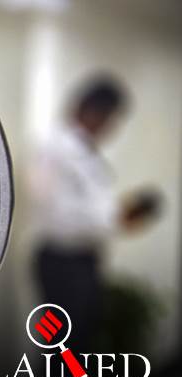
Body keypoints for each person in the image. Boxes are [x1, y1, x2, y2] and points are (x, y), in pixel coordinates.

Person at [29, 74, 158, 352]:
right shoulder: (55, 147)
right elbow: (56, 212)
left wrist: (119, 216)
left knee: (78, 343)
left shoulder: (87, 153)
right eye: (108, 118)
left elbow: (93, 207)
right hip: (60, 262)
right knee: (62, 347)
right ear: (88, 109)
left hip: (83, 262)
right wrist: (115, 218)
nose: (110, 128)